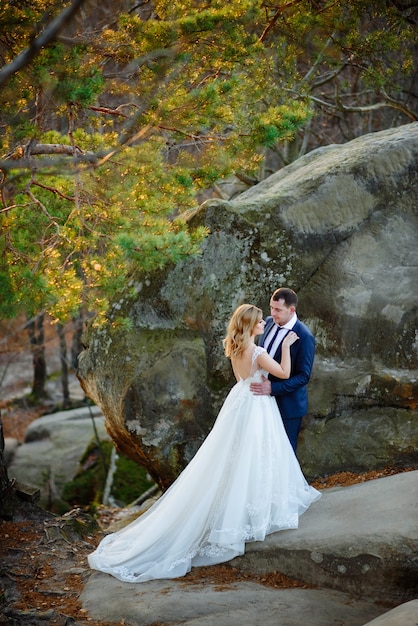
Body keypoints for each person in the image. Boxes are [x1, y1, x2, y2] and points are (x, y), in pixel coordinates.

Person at [88, 304, 321, 583]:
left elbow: (242, 379)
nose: (265, 323)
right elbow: (283, 373)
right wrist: (285, 347)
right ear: (250, 326)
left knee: (237, 456)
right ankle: (250, 512)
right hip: (257, 404)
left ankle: (244, 505)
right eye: (260, 321)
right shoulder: (257, 352)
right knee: (256, 454)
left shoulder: (235, 348)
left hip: (241, 400)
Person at [250, 287, 315, 452]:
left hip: (288, 407)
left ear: (291, 310)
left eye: (278, 309)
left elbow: (303, 376)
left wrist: (273, 388)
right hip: (262, 403)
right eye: (271, 307)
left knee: (283, 454)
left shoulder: (304, 336)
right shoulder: (268, 322)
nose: (273, 313)